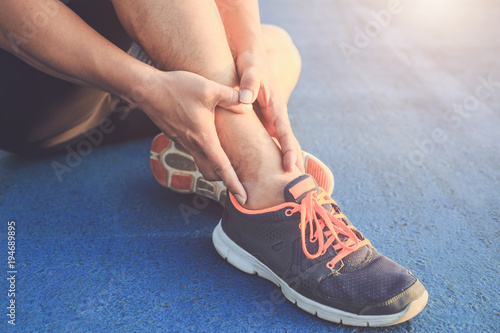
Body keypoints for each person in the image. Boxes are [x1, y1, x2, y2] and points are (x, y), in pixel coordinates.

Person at [0, 0, 428, 326]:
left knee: (278, 45)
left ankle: (216, 148)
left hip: (138, 84)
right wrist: (147, 86)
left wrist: (250, 54)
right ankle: (264, 182)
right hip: (48, 90)